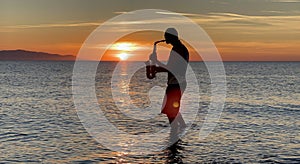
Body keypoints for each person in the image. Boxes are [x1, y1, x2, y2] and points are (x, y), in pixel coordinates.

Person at [153, 28, 189, 134]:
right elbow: (172, 68)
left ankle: (174, 134)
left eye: (166, 36)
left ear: (171, 37)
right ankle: (182, 128)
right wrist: (157, 68)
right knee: (173, 109)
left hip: (176, 84)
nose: (164, 39)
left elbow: (171, 69)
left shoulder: (178, 50)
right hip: (177, 83)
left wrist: (156, 63)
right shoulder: (180, 48)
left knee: (170, 111)